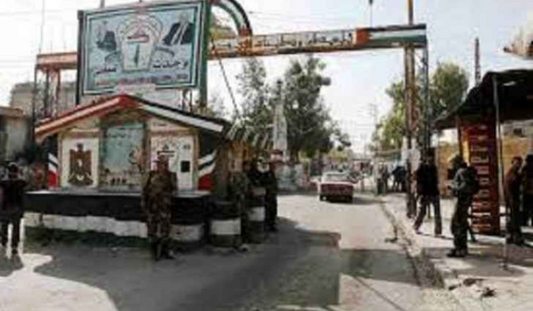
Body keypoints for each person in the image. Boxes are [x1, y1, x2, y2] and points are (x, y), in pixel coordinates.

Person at [141, 155, 177, 261]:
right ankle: (154, 253)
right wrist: (143, 203)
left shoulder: (171, 175)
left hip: (164, 207)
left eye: (163, 164)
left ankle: (164, 252)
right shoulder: (150, 174)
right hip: (152, 207)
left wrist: (164, 178)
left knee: (165, 231)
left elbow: (174, 188)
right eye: (159, 164)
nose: (160, 166)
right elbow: (144, 190)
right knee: (152, 231)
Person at [448, 158, 476, 257]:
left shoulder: (461, 171)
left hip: (461, 202)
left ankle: (459, 248)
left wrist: (453, 187)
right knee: (461, 225)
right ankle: (461, 248)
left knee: (457, 225)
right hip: (464, 202)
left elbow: (465, 186)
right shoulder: (466, 171)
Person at [0, 163, 27, 256]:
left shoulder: (3, 182)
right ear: (17, 171)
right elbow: (24, 190)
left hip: (5, 207)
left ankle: (3, 242)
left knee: (4, 226)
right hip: (17, 208)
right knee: (16, 228)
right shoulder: (22, 182)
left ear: (8, 171)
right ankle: (14, 247)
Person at [413, 154, 442, 236]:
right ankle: (416, 226)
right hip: (426, 193)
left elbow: (435, 180)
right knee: (423, 212)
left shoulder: (433, 168)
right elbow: (417, 180)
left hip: (432, 192)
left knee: (436, 213)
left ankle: (437, 231)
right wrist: (419, 192)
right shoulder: (422, 168)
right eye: (429, 158)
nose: (430, 159)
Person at [505, 156, 524, 245]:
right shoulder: (512, 174)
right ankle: (515, 237)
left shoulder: (515, 173)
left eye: (519, 163)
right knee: (515, 219)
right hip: (512, 199)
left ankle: (512, 236)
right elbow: (512, 185)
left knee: (514, 218)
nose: (519, 165)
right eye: (517, 163)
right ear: (513, 163)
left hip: (514, 199)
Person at [264, 161, 279, 232]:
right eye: (273, 166)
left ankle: (272, 225)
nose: (274, 167)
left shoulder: (273, 174)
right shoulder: (267, 174)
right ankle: (269, 225)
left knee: (273, 210)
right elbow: (266, 184)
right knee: (269, 211)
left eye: (274, 166)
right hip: (269, 195)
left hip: (273, 195)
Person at [521, 155, 533, 227]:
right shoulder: (525, 168)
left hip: (527, 191)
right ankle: (525, 221)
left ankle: (524, 221)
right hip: (528, 191)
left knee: (526, 207)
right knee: (527, 207)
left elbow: (523, 179)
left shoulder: (525, 168)